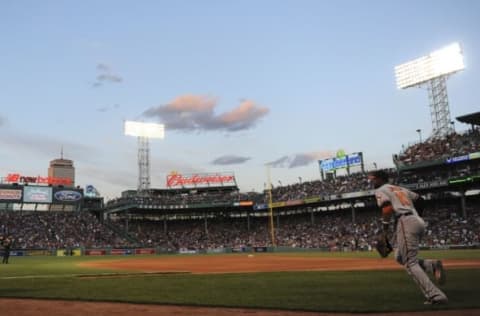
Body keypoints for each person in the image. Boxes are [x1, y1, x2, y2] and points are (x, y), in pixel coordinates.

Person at [368, 170, 448, 305]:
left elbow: (386, 208)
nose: (371, 181)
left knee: (410, 263)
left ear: (381, 179)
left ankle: (435, 295)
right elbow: (420, 200)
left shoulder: (381, 189)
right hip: (415, 220)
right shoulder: (399, 188)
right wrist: (416, 217)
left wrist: (384, 231)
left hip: (405, 221)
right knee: (399, 256)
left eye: (373, 179)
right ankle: (431, 265)